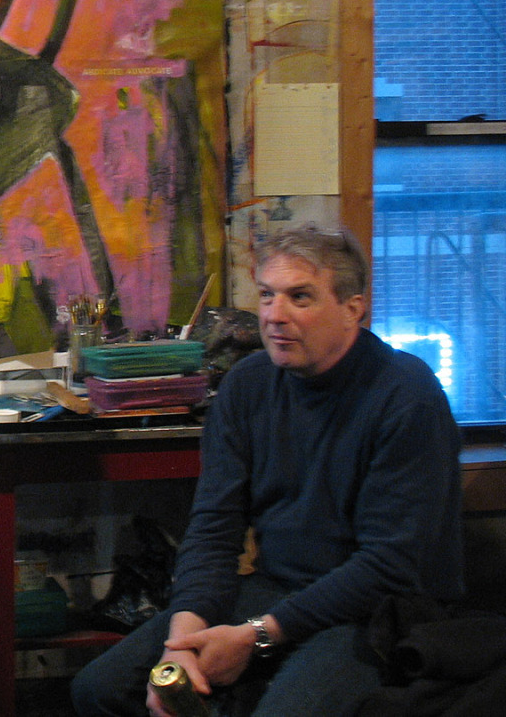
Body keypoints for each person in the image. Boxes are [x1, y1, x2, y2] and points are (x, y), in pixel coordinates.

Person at [70, 224, 464, 717]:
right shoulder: (247, 385)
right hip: (277, 589)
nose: (275, 315)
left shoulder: (406, 397)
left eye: (300, 297)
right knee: (100, 689)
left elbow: (389, 565)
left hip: (382, 610)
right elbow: (214, 530)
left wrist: (255, 637)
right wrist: (180, 644)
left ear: (353, 309)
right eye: (267, 295)